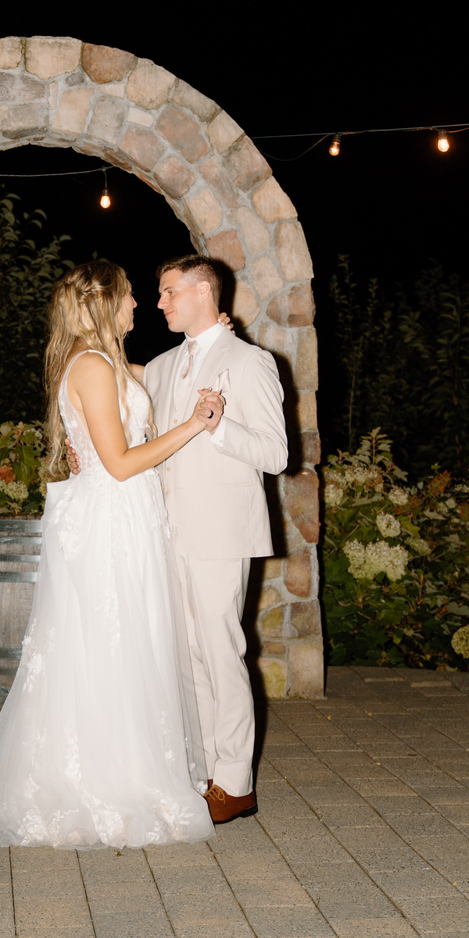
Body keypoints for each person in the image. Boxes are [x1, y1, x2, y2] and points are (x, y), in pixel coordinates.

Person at [0, 261, 225, 849]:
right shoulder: (92, 367)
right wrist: (196, 425)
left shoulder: (105, 363)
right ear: (108, 303)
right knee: (112, 644)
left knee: (126, 645)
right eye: (132, 296)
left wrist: (210, 343)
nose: (138, 305)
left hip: (122, 519)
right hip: (111, 524)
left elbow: (156, 376)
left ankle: (127, 765)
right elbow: (121, 462)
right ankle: (109, 782)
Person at [142, 255, 288, 824]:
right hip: (166, 531)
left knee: (221, 651)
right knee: (187, 653)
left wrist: (219, 426)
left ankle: (236, 782)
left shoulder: (250, 362)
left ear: (204, 290)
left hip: (220, 529)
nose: (161, 303)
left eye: (169, 291)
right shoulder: (158, 366)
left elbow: (276, 455)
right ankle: (202, 772)